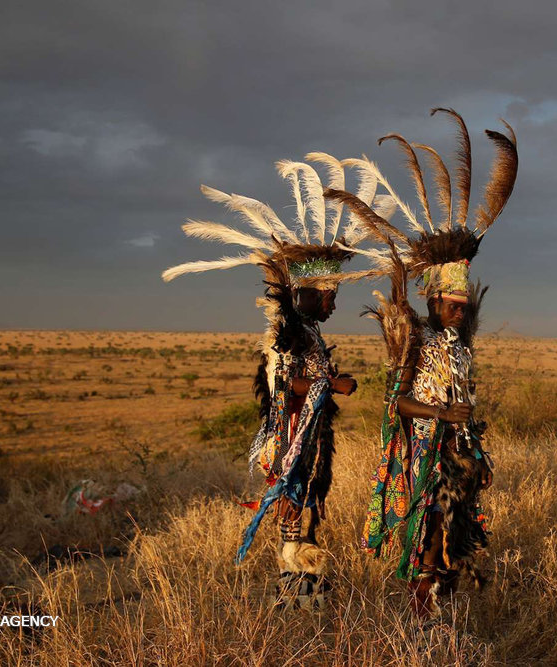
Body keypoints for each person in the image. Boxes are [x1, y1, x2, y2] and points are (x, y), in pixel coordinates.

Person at [325, 108, 518, 619]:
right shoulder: (416, 341)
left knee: (457, 532)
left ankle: (438, 608)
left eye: (463, 306)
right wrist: (440, 418)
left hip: (456, 452)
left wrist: (477, 454)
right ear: (433, 301)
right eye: (451, 305)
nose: (459, 311)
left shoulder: (459, 346)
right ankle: (421, 611)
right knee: (430, 530)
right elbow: (399, 403)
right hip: (425, 453)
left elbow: (465, 403)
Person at [162, 153, 377, 608]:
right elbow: (284, 387)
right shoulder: (287, 334)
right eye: (327, 298)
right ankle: (293, 592)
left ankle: (307, 592)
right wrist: (330, 386)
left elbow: (307, 378)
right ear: (305, 294)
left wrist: (330, 382)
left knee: (308, 508)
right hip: (289, 441)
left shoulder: (310, 334)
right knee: (293, 511)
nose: (332, 307)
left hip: (312, 438)